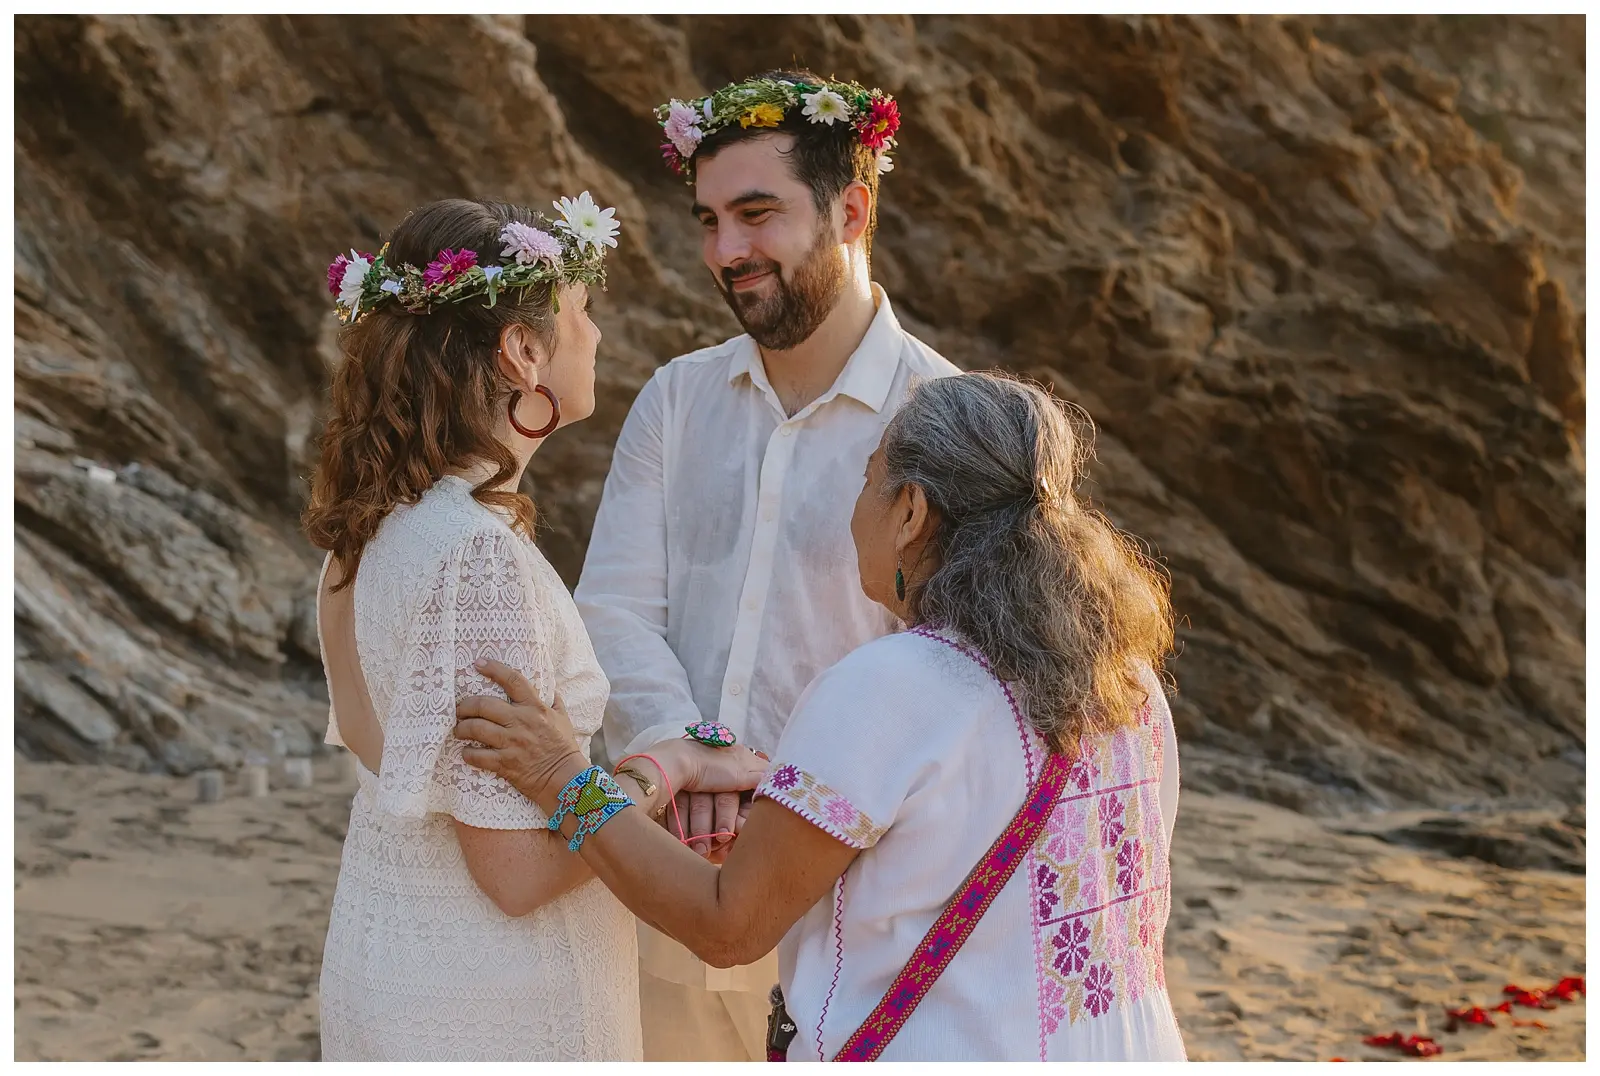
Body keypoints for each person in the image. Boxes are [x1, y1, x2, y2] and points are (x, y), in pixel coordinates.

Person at [457, 371, 1188, 1062]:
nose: (856, 508)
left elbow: (726, 925)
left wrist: (562, 776)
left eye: (869, 480)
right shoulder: (1128, 683)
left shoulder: (892, 683)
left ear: (911, 514)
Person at [301, 195, 763, 1061]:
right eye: (581, 313)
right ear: (522, 352)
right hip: (497, 1000)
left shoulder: (366, 532)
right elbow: (515, 874)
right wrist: (665, 769)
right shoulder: (478, 560)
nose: (594, 337)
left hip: (390, 963)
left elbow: (406, 774)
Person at [575, 69, 958, 1059]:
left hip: (863, 902)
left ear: (850, 209)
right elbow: (613, 606)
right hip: (673, 870)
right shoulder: (675, 398)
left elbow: (957, 677)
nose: (725, 252)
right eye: (707, 220)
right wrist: (690, 746)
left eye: (755, 214)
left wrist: (785, 805)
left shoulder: (945, 421)